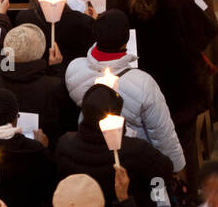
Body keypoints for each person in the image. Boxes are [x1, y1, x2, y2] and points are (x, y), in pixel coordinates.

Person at [64, 10, 186, 170]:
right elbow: (162, 134)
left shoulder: (74, 69)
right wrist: (175, 167)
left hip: (90, 155)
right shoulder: (143, 83)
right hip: (132, 159)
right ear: (126, 41)